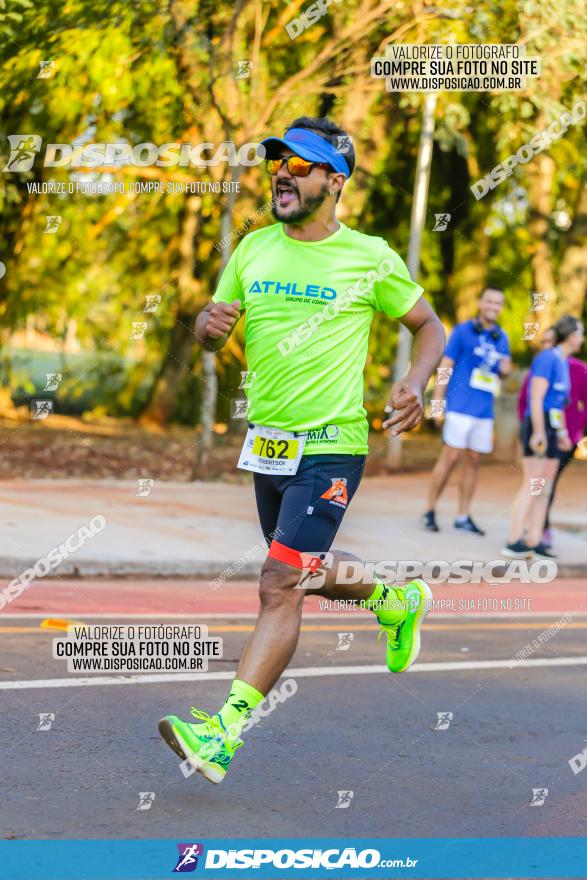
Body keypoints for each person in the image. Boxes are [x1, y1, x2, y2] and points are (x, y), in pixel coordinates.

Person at [158, 116, 445, 783]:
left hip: (331, 445)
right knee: (305, 571)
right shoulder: (253, 249)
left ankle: (223, 733)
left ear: (333, 181)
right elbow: (210, 330)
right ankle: (394, 601)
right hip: (268, 445)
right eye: (277, 162)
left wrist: (413, 380)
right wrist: (207, 326)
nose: (281, 172)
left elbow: (428, 325)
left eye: (300, 163)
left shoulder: (369, 256)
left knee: (278, 582)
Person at [423, 288, 512, 534]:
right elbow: (445, 367)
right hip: (459, 407)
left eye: (498, 302)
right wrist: (438, 404)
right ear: (480, 303)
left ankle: (463, 516)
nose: (494, 305)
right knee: (450, 458)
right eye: (490, 301)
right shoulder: (462, 331)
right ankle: (429, 510)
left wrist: (505, 371)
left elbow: (501, 374)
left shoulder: (501, 337)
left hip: (484, 411)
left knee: (474, 462)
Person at [504, 315, 585, 558]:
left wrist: (560, 433)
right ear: (571, 336)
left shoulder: (562, 362)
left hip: (552, 426)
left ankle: (534, 540)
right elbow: (536, 398)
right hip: (537, 425)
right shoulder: (546, 359)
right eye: (580, 333)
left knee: (545, 487)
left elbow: (558, 403)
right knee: (532, 483)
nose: (582, 338)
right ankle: (513, 540)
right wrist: (539, 432)